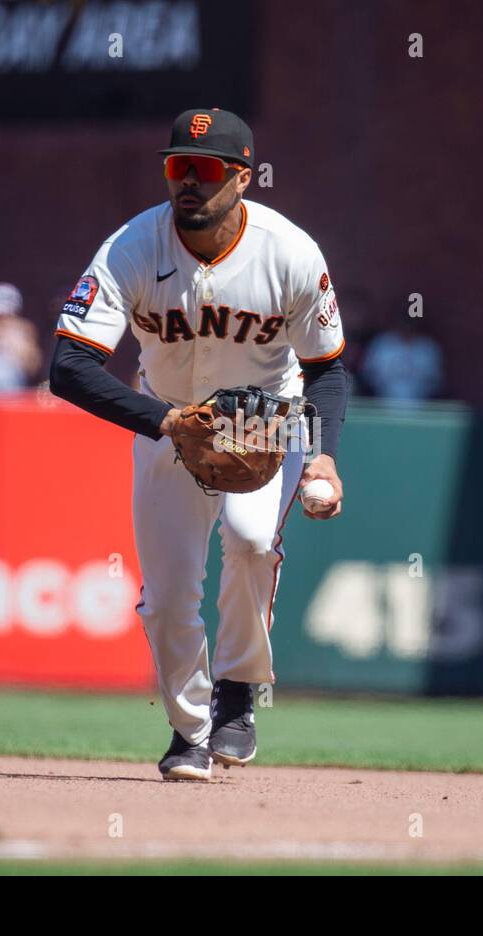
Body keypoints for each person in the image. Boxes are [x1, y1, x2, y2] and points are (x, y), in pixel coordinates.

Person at [49, 107, 349, 781]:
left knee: (248, 541)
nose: (188, 180)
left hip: (265, 423)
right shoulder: (131, 247)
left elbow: (327, 365)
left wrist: (323, 451)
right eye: (176, 166)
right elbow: (67, 366)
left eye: (205, 169)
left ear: (241, 177)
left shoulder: (289, 253)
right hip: (165, 419)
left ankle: (237, 693)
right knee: (166, 595)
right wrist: (162, 420)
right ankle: (189, 729)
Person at [360, 316, 444, 402]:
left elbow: (436, 382)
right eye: (405, 323)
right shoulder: (382, 345)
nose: (407, 328)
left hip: (420, 407)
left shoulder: (427, 348)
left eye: (411, 323)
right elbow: (368, 376)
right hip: (383, 406)